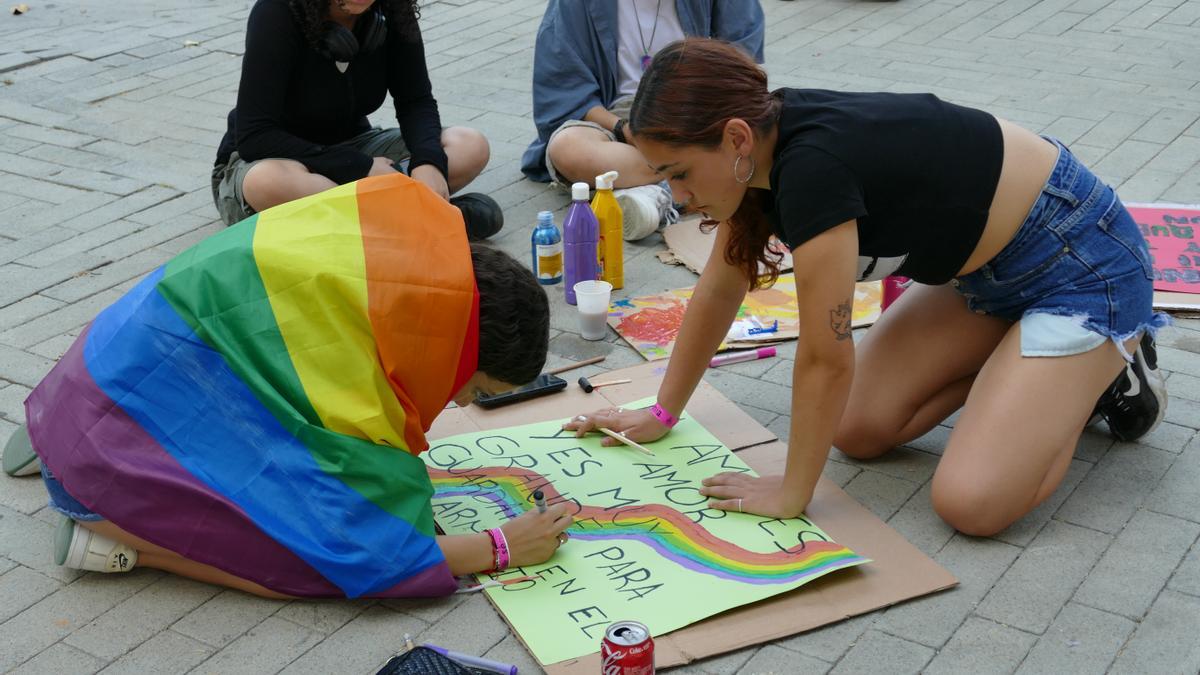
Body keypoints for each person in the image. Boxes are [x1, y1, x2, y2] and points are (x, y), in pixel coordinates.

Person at [566, 38, 1169, 537]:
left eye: (679, 174)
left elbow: (826, 358)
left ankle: (1103, 373)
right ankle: (1026, 368)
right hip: (984, 278)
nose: (676, 196)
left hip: (1081, 268)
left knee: (972, 505)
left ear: (734, 139)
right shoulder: (757, 154)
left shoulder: (813, 171)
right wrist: (664, 411)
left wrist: (792, 491)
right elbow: (719, 292)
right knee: (857, 429)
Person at [6, 174, 569, 599]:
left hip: (87, 383)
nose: (463, 402)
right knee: (307, 560)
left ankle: (65, 434)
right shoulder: (355, 377)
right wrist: (500, 547)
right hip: (98, 475)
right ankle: (122, 546)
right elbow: (371, 550)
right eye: (474, 386)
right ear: (456, 353)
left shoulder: (373, 267)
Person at [212, 0, 503, 239]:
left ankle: (376, 227)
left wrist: (428, 162)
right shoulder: (275, 12)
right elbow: (255, 137)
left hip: (354, 149)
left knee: (470, 144)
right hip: (273, 161)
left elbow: (416, 101)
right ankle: (428, 221)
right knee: (266, 182)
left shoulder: (392, 10)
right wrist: (360, 169)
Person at [520, 0, 764, 241]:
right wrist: (623, 129)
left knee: (741, 135)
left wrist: (702, 104)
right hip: (612, 118)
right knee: (567, 147)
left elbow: (742, 55)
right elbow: (566, 90)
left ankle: (652, 194)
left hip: (690, 108)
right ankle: (691, 181)